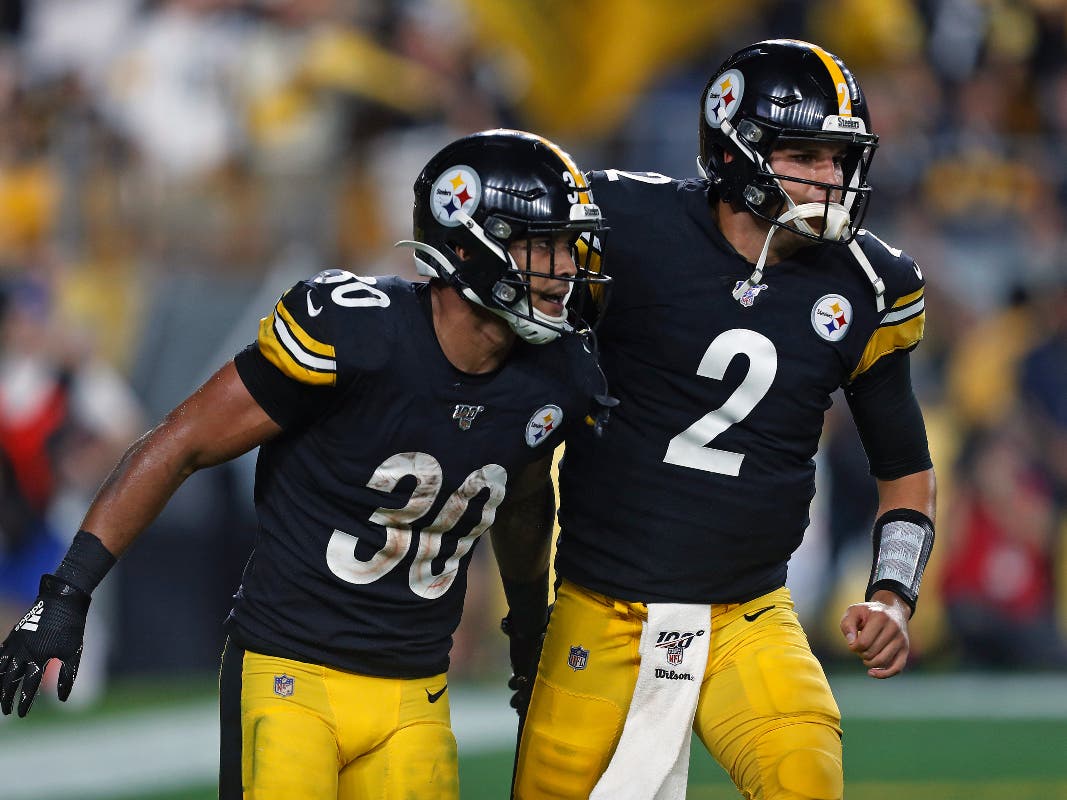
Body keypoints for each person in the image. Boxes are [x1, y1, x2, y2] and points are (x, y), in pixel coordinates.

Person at [0, 128, 612, 800]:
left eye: (565, 244)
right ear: (468, 247)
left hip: (415, 694)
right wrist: (67, 592)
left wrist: (528, 630)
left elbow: (520, 502)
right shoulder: (354, 333)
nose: (563, 266)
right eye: (542, 244)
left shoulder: (557, 375)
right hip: (292, 677)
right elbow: (181, 443)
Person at [512, 39, 937, 800]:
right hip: (601, 604)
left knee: (805, 777)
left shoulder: (869, 283)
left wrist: (891, 594)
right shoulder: (624, 225)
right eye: (808, 154)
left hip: (748, 614)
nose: (833, 178)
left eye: (842, 159)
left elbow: (904, 471)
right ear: (738, 150)